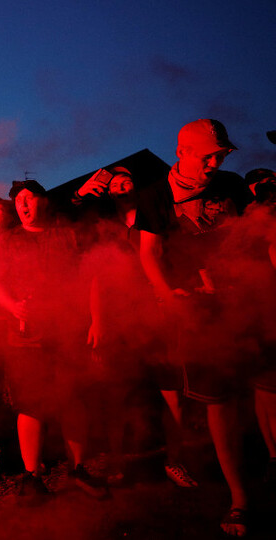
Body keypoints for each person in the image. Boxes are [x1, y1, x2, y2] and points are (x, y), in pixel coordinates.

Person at [134, 119, 251, 536]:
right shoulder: (155, 195)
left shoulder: (233, 185)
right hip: (199, 311)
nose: (215, 164)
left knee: (265, 392)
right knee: (218, 402)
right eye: (208, 156)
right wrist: (167, 294)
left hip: (249, 299)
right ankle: (240, 499)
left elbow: (258, 235)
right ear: (182, 152)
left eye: (220, 156)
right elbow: (148, 253)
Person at [73, 166, 197, 488]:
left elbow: (182, 257)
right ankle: (116, 460)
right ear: (110, 192)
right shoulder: (106, 228)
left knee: (173, 394)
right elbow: (97, 278)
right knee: (119, 395)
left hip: (158, 315)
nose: (124, 182)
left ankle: (175, 461)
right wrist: (98, 320)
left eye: (129, 178)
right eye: (116, 181)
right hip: (121, 319)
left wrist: (178, 289)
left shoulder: (158, 219)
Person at [0, 180, 108, 504]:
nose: (23, 205)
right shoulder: (8, 240)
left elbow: (91, 277)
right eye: (18, 201)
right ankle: (31, 477)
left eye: (29, 199)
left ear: (43, 201)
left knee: (73, 400)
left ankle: (78, 469)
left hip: (67, 329)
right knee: (31, 404)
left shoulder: (66, 234)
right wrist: (12, 305)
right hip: (25, 336)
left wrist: (97, 320)